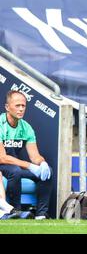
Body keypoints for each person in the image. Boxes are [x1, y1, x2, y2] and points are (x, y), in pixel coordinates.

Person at [0, 90, 53, 219]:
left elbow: (34, 156)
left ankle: (41, 214)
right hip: (3, 165)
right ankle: (15, 211)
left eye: (23, 106)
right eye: (17, 105)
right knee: (15, 171)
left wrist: (42, 163)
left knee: (47, 172)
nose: (21, 109)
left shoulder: (26, 127)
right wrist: (29, 166)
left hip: (16, 164)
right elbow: (2, 157)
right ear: (7, 107)